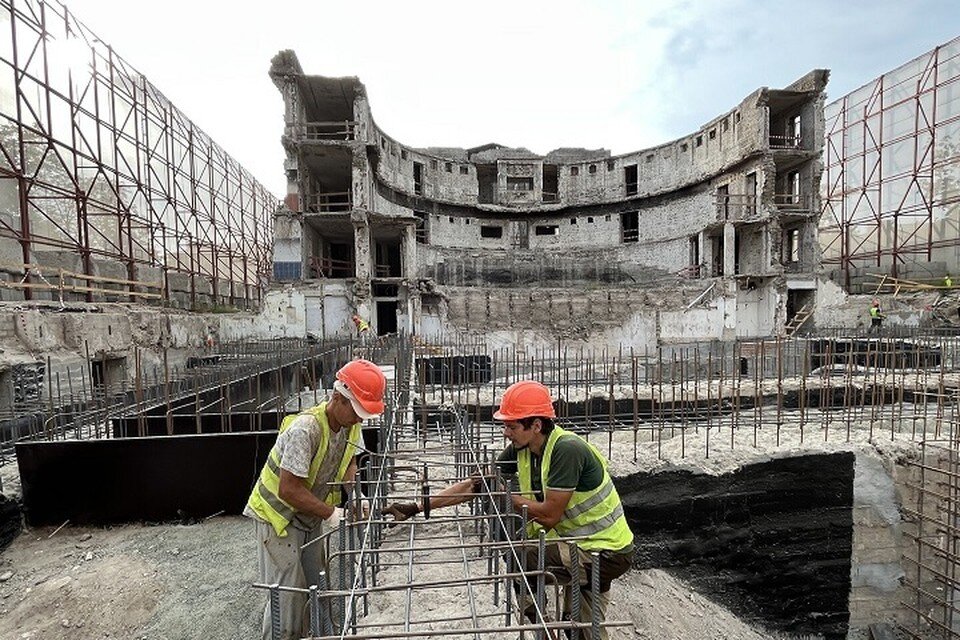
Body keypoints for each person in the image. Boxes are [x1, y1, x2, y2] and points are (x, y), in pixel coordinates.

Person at [386, 380, 634, 640]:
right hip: (579, 545)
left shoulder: (566, 450)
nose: (506, 432)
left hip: (605, 553)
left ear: (536, 425)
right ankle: (550, 625)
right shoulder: (524, 448)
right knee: (582, 629)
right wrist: (417, 506)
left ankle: (541, 626)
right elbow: (477, 484)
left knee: (521, 558)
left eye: (511, 426)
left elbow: (549, 516)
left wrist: (505, 494)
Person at [245, 359, 386, 640]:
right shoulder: (305, 430)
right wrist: (331, 513)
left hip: (308, 515)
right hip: (278, 517)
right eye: (357, 410)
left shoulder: (350, 424)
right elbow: (289, 489)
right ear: (338, 398)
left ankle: (317, 633)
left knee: (318, 583)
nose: (360, 418)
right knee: (287, 594)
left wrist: (355, 494)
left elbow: (348, 464)